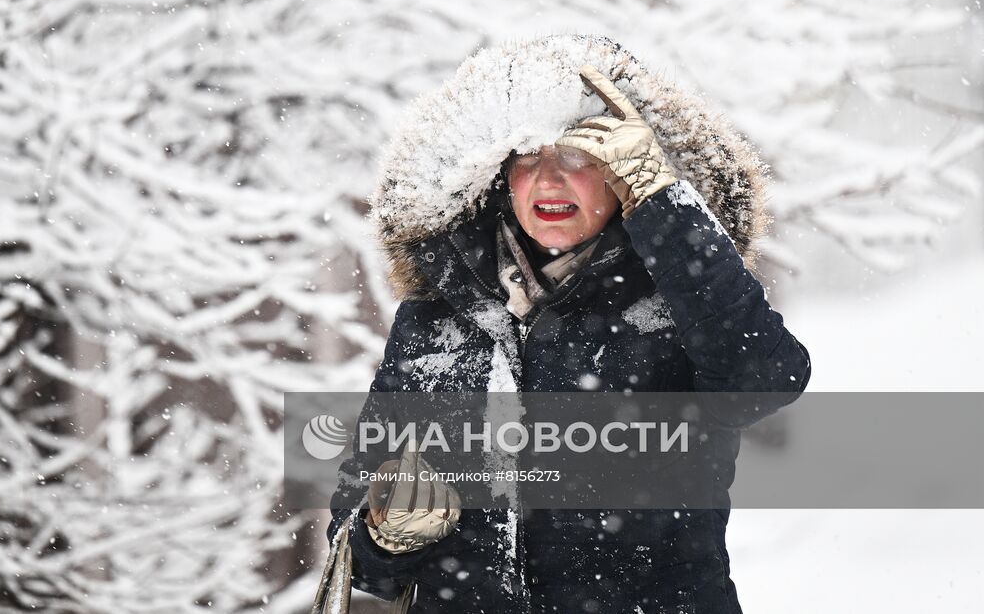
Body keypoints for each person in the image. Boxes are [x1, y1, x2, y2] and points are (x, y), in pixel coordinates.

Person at [324, 34, 811, 614]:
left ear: (622, 173)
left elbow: (764, 379)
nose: (549, 180)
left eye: (578, 157)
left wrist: (664, 205)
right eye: (528, 156)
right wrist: (386, 532)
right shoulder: (437, 318)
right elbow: (357, 541)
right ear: (498, 177)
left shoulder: (678, 302)